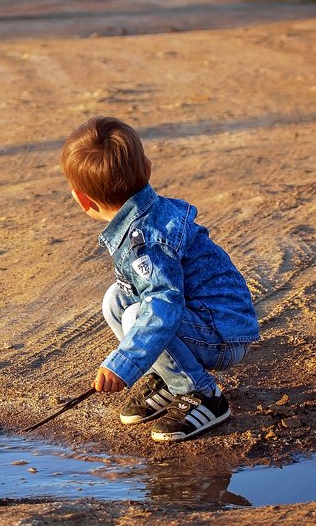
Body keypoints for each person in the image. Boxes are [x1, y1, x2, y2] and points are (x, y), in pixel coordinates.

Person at [60, 116, 260, 442]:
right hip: (205, 321)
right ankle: (169, 379)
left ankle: (203, 395)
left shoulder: (145, 241)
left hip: (222, 335)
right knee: (117, 299)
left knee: (138, 313)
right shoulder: (144, 215)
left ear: (82, 199)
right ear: (148, 168)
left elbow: (163, 305)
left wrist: (123, 363)